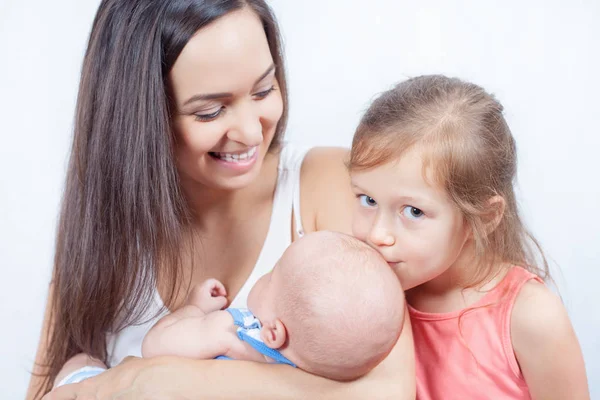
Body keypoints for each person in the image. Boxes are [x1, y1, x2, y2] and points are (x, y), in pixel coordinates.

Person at [28, 1, 415, 399]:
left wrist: (149, 380)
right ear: (142, 117)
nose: (250, 132)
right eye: (210, 112)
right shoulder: (104, 226)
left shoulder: (327, 184)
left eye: (264, 90)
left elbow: (387, 390)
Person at [348, 74, 590, 399]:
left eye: (414, 212)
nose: (377, 234)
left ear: (485, 217)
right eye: (368, 200)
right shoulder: (360, 295)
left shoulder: (532, 318)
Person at [54, 231, 405, 386]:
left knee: (82, 363)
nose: (263, 277)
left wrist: (195, 310)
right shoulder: (317, 376)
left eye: (272, 275)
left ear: (273, 333)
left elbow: (156, 345)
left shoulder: (232, 332)